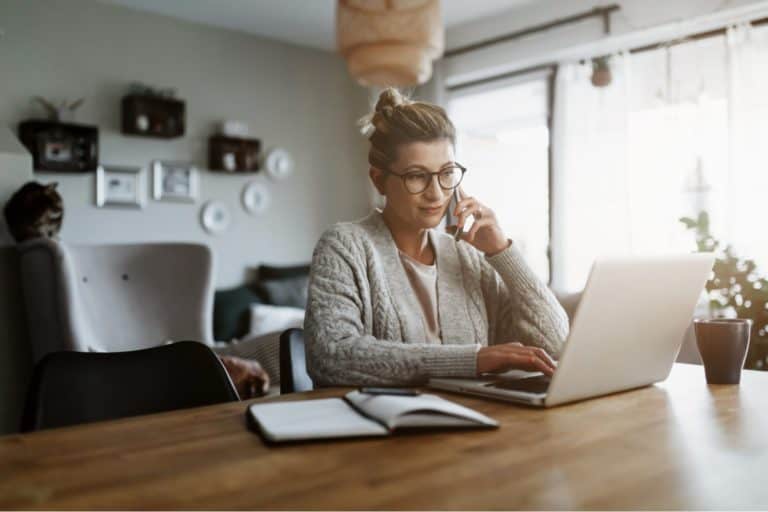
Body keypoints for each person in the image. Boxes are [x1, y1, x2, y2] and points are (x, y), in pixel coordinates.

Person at [304, 88, 569, 387]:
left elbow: (556, 345)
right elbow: (330, 356)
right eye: (417, 175)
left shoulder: (466, 256)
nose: (437, 193)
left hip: (473, 420)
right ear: (379, 180)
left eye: (447, 173)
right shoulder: (344, 246)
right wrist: (474, 359)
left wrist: (502, 252)